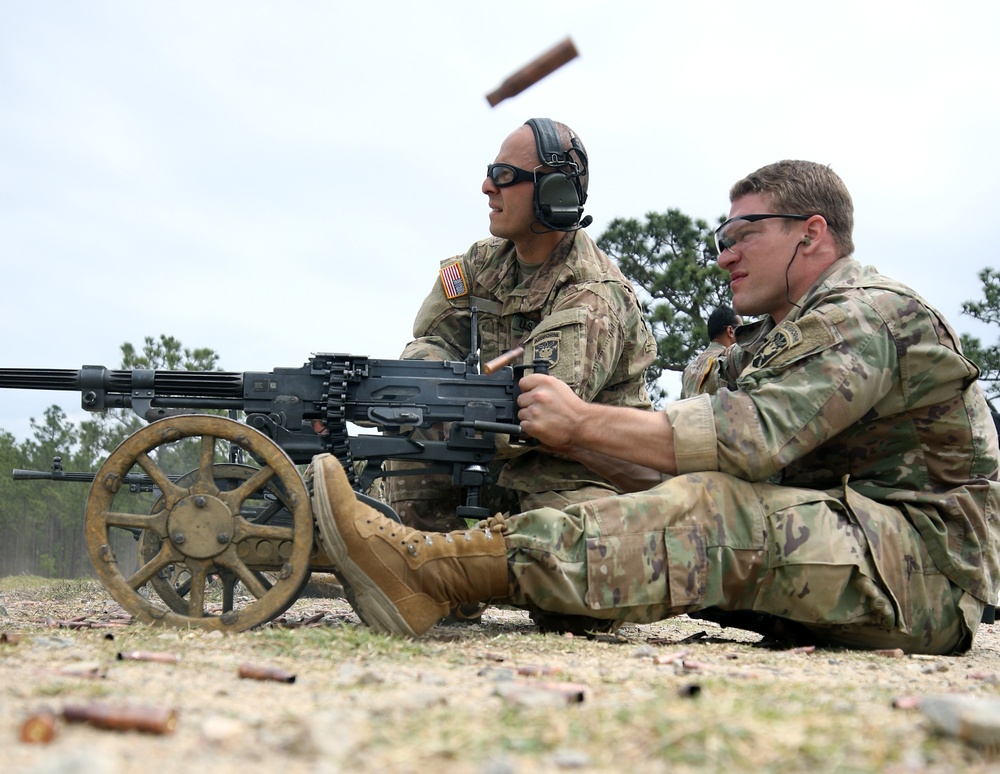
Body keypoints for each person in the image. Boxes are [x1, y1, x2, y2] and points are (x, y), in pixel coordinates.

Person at [310, 159, 1000, 655]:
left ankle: (430, 570)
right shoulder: (777, 340)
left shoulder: (867, 314)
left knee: (715, 507)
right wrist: (583, 448)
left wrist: (581, 423)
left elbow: (745, 441)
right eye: (720, 240)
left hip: (926, 573)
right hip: (863, 554)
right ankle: (472, 570)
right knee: (681, 497)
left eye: (742, 235)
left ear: (811, 233)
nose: (724, 256)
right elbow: (692, 461)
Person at [383, 118, 655, 537]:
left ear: (554, 192)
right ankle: (438, 590)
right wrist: (408, 394)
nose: (487, 187)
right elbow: (431, 341)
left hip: (581, 472)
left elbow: (539, 414)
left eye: (504, 176)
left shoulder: (592, 292)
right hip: (500, 458)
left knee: (558, 538)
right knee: (413, 460)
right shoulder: (479, 263)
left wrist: (435, 407)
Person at [679, 305, 742, 399]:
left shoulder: (688, 369)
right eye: (741, 329)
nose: (745, 335)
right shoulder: (730, 359)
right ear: (730, 331)